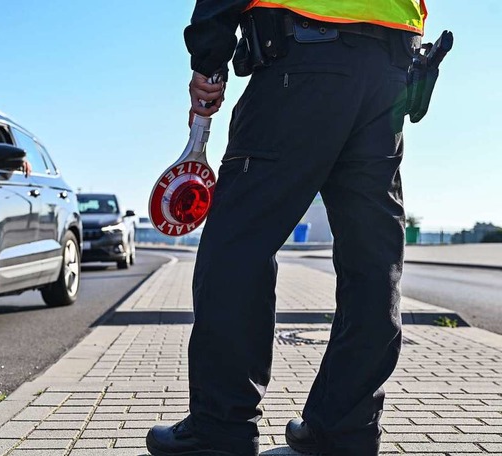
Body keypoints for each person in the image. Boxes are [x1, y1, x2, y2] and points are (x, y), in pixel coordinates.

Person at [146, 1, 426, 455]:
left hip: (303, 61)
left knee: (238, 245)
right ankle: (345, 429)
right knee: (372, 261)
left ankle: (221, 428)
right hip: (389, 73)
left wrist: (209, 61)